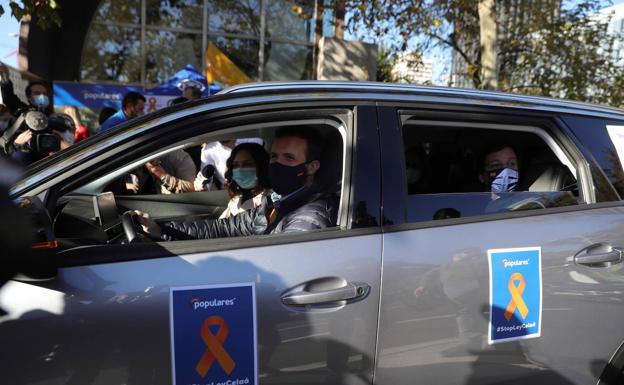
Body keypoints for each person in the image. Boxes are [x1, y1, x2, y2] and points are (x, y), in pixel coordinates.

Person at [136, 126, 338, 240]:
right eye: (274, 156)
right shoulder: (274, 202)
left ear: (312, 167)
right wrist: (162, 231)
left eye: (289, 158)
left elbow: (280, 268)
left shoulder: (309, 219)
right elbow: (225, 228)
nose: (277, 164)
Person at [219, 142, 271, 219]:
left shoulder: (270, 200)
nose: (240, 170)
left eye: (247, 164)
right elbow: (219, 225)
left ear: (261, 167)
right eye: (236, 165)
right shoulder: (237, 197)